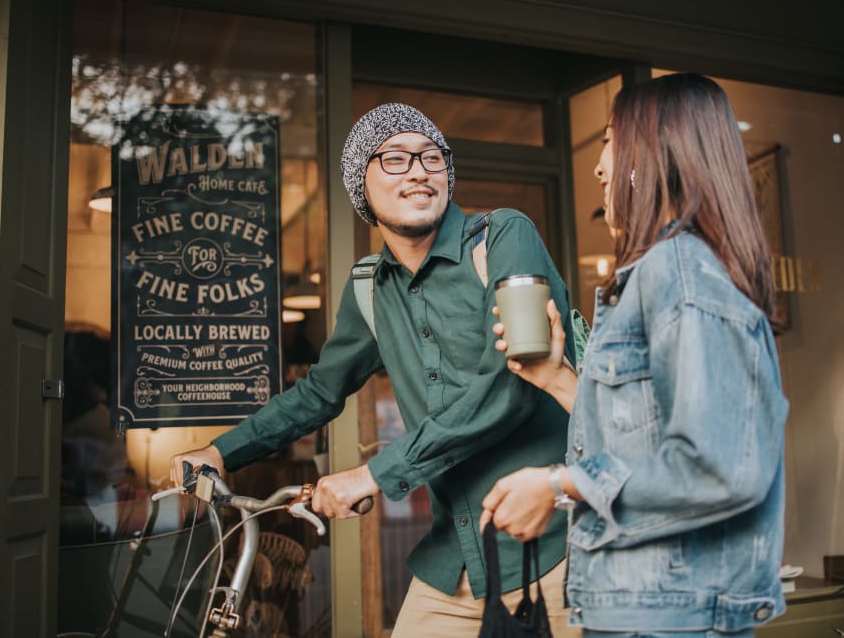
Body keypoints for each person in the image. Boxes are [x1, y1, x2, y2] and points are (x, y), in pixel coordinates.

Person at [170, 103, 580, 637]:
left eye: (432, 157)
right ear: (360, 185)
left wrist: (374, 476)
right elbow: (320, 391)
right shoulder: (368, 286)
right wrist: (221, 451)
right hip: (452, 560)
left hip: (554, 549)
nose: (418, 170)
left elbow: (512, 384)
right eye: (394, 158)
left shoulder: (502, 236)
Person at [479, 73, 789, 637]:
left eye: (610, 141)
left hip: (667, 616)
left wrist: (556, 485)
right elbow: (646, 437)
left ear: (654, 156)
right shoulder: (667, 272)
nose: (598, 167)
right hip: (647, 608)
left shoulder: (678, 271)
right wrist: (557, 378)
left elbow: (719, 465)